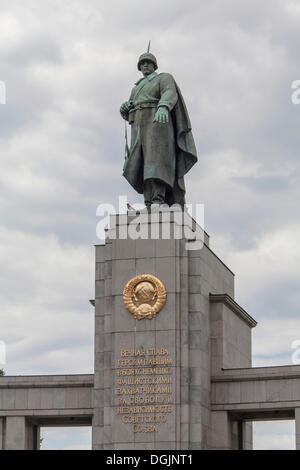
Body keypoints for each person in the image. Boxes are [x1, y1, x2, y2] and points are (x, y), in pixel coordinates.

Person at [120, 51, 197, 208]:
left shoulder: (163, 78)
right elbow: (130, 109)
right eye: (142, 64)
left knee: (156, 160)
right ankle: (148, 202)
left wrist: (163, 106)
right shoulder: (136, 88)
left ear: (154, 65)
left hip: (157, 121)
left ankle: (158, 198)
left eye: (148, 62)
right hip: (138, 125)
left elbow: (169, 92)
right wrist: (124, 109)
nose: (145, 65)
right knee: (141, 162)